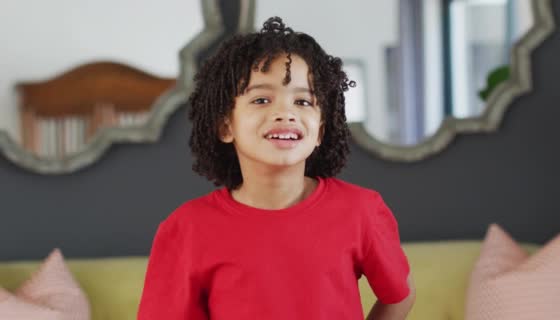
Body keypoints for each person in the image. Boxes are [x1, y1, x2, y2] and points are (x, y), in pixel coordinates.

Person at [137, 16, 415, 320]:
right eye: (261, 99)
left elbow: (399, 296)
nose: (285, 112)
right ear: (226, 126)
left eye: (303, 102)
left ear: (320, 130)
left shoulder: (362, 210)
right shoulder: (186, 228)